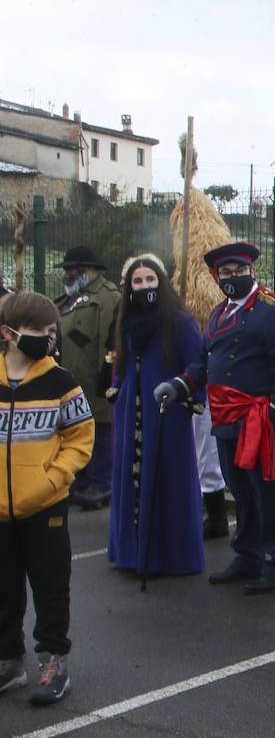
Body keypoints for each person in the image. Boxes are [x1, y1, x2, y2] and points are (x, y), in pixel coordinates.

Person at [156, 242, 275, 594]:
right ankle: (247, 555)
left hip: (259, 420)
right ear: (214, 276)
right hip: (225, 420)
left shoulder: (274, 311)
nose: (232, 277)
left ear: (252, 270)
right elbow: (204, 364)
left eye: (239, 270)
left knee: (267, 492)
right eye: (225, 273)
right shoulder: (219, 316)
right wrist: (178, 386)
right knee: (240, 489)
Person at [0, 290, 95, 703]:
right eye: (36, 330)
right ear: (8, 333)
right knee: (3, 588)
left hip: (46, 506)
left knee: (50, 584)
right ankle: (9, 660)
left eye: (50, 330)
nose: (46, 337)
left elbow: (80, 439)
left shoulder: (61, 382)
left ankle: (54, 659)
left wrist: (55, 479)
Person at [107, 254, 206, 576]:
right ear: (129, 286)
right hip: (130, 412)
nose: (145, 286)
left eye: (151, 280)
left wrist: (185, 393)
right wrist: (118, 388)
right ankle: (132, 553)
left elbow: (197, 364)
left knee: (169, 479)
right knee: (130, 477)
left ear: (161, 283)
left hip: (167, 412)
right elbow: (120, 364)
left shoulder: (179, 321)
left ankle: (171, 555)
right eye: (138, 281)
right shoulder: (126, 320)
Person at [54, 245, 121, 510]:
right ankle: (81, 481)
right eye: (67, 269)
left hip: (95, 380)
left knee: (101, 430)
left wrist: (106, 378)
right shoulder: (70, 298)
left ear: (89, 270)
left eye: (73, 269)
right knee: (76, 430)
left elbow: (110, 340)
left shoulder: (107, 297)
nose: (68, 274)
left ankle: (101, 484)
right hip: (72, 379)